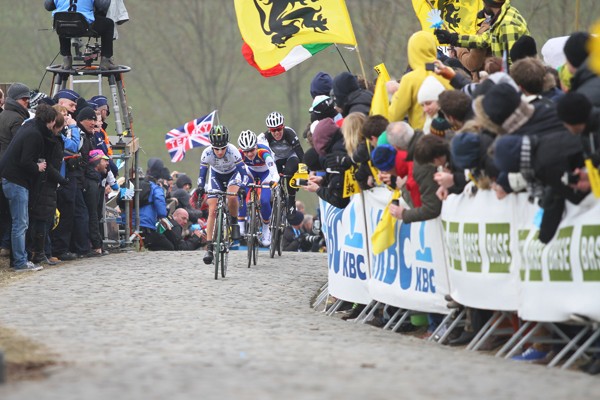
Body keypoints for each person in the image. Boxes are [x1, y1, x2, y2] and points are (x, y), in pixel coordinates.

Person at [0, 104, 58, 271]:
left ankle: (19, 259)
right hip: (16, 181)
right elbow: (26, 161)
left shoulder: (29, 126)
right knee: (21, 223)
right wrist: (38, 167)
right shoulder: (35, 134)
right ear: (52, 121)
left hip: (11, 179)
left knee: (18, 223)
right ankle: (20, 262)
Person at [196, 125, 247, 265]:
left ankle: (235, 222)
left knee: (231, 196)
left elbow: (244, 174)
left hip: (233, 175)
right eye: (216, 148)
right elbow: (202, 176)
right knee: (212, 210)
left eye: (222, 148)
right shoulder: (206, 153)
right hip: (216, 177)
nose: (219, 152)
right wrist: (200, 187)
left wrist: (242, 187)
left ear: (227, 145)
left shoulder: (233, 151)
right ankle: (210, 247)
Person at [388, 31, 452, 130]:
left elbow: (394, 116)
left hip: (423, 138)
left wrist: (396, 94)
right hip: (450, 135)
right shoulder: (448, 73)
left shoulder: (409, 79)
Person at [28, 108, 68, 266]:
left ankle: (43, 251)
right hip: (45, 182)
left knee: (47, 219)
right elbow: (49, 163)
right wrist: (61, 179)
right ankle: (40, 252)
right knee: (42, 219)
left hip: (50, 183)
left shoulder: (55, 139)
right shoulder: (49, 140)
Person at [434, 0, 529, 65]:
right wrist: (453, 38)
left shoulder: (507, 24)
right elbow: (483, 40)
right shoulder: (501, 18)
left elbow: (514, 62)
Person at [44, 0, 116, 70]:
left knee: (63, 21)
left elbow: (48, 6)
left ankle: (66, 58)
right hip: (84, 26)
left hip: (62, 25)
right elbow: (102, 6)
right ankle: (105, 60)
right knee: (109, 24)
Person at [237, 129, 279, 246]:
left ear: (256, 146)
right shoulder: (239, 154)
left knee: (265, 201)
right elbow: (235, 171)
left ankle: (266, 229)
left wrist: (274, 181)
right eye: (246, 152)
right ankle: (241, 222)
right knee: (240, 191)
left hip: (266, 174)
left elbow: (274, 172)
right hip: (250, 172)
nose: (249, 154)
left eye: (251, 150)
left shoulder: (263, 152)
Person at [258, 111, 304, 217]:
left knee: (289, 171)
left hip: (291, 156)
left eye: (279, 129)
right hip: (277, 157)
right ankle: (276, 199)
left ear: (283, 127)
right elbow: (262, 153)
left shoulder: (289, 133)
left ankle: (291, 201)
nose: (276, 133)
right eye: (273, 130)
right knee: (274, 175)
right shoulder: (266, 137)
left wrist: (304, 170)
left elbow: (300, 153)